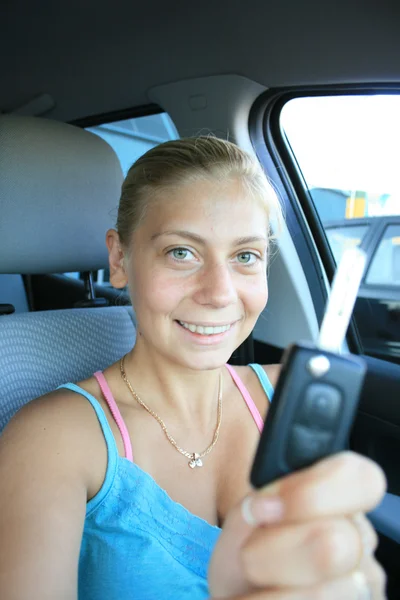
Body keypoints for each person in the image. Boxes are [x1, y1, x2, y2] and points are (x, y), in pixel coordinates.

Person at [0, 137, 387, 600]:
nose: (220, 293)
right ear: (120, 259)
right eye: (181, 252)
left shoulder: (291, 398)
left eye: (246, 256)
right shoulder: (53, 439)